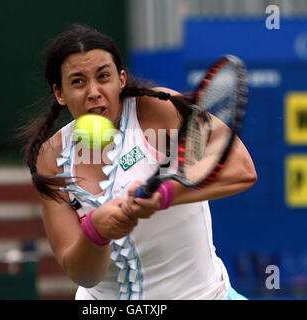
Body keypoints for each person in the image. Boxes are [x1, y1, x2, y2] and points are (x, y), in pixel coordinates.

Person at [21, 24, 257, 300]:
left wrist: (166, 195)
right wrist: (96, 232)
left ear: (121, 79)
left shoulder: (158, 111)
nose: (94, 91)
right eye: (78, 81)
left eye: (103, 76)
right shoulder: (51, 158)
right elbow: (81, 274)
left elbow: (242, 170)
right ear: (60, 93)